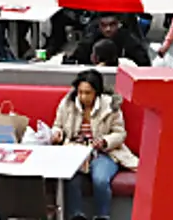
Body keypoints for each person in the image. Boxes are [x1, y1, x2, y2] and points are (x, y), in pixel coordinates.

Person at [53, 69, 129, 219]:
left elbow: (120, 133)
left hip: (102, 153)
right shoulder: (67, 103)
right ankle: (76, 216)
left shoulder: (110, 106)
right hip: (74, 151)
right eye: (80, 92)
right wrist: (57, 133)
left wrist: (105, 141)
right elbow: (57, 124)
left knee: (100, 180)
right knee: (70, 178)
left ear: (97, 92)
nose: (83, 97)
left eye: (88, 93)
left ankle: (102, 216)